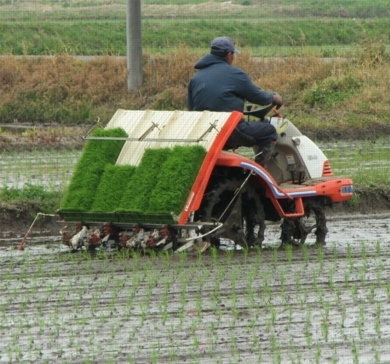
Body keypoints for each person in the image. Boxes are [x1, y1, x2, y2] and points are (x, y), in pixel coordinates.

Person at [187, 36, 283, 165]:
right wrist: (273, 97)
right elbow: (257, 96)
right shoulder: (235, 74)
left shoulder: (196, 78)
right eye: (233, 54)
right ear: (228, 55)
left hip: (206, 131)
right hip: (231, 130)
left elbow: (191, 108)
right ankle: (259, 173)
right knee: (269, 131)